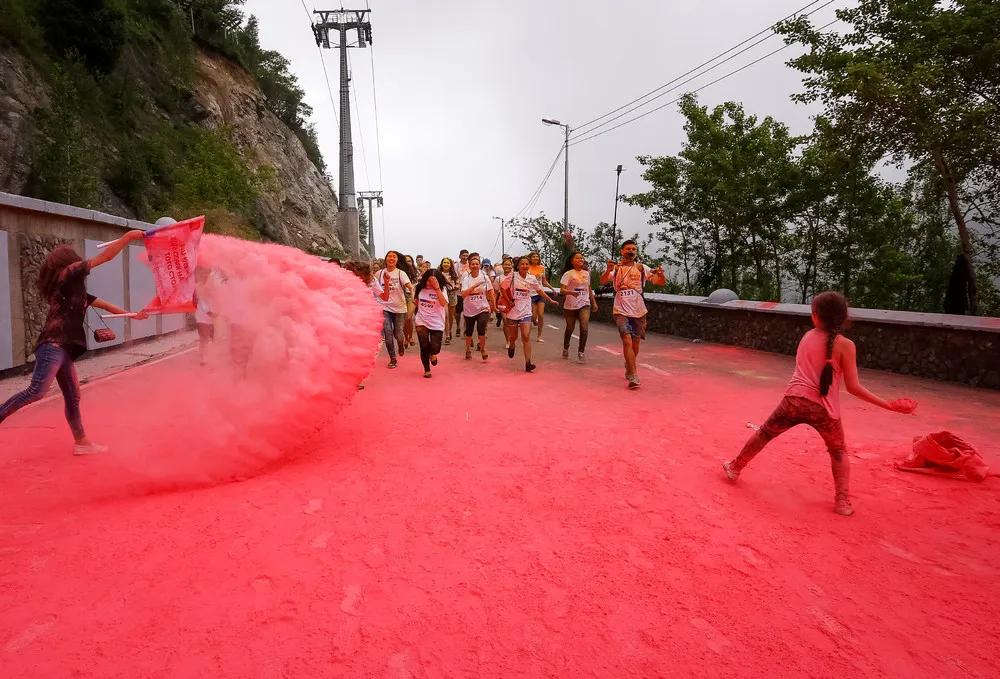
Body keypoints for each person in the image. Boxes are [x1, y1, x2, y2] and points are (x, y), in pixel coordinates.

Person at [722, 291, 917, 516]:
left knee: (765, 433)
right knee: (838, 451)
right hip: (825, 410)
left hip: (794, 400)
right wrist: (889, 405)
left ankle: (735, 467)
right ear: (843, 318)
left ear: (815, 316)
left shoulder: (807, 336)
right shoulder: (846, 346)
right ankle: (842, 502)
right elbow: (853, 387)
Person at [0, 233, 149, 454]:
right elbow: (106, 257)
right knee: (36, 391)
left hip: (63, 349)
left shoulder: (74, 290)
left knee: (72, 396)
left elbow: (106, 306)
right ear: (69, 261)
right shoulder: (66, 274)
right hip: (53, 345)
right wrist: (128, 237)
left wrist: (133, 315)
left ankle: (81, 443)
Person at [600, 240, 666, 389]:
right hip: (621, 308)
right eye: (628, 249)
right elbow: (603, 280)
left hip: (638, 309)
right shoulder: (616, 268)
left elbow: (660, 283)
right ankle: (634, 375)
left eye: (633, 249)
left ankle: (629, 365)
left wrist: (661, 275)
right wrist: (607, 269)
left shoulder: (642, 268)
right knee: (627, 341)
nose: (631, 251)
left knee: (635, 342)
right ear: (622, 251)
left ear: (636, 252)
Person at [500, 255, 558, 372]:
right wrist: (509, 300)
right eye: (522, 264)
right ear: (518, 266)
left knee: (526, 336)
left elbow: (539, 290)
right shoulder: (512, 276)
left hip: (526, 310)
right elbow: (502, 288)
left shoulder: (532, 278)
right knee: (514, 337)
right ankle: (512, 345)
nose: (525, 266)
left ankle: (528, 363)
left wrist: (550, 299)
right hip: (513, 310)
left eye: (527, 264)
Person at [371, 251, 413, 368]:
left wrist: (413, 294)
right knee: (388, 334)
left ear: (397, 260)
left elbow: (409, 286)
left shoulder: (401, 273)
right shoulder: (379, 274)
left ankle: (401, 343)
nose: (391, 258)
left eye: (394, 257)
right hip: (384, 307)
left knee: (398, 334)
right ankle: (393, 358)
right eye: (389, 256)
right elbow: (372, 285)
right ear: (386, 259)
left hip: (400, 308)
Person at [560, 252, 598, 362]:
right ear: (572, 261)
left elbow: (588, 288)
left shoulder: (586, 274)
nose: (580, 259)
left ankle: (581, 351)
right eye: (577, 258)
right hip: (570, 305)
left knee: (584, 327)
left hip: (584, 304)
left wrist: (594, 302)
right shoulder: (568, 274)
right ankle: (566, 347)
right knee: (570, 329)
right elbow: (562, 290)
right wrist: (571, 292)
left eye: (581, 258)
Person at [413, 268, 449, 378]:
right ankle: (427, 370)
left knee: (435, 347)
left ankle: (433, 354)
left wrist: (437, 288)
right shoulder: (419, 288)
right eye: (428, 281)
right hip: (422, 320)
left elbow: (443, 304)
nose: (429, 284)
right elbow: (415, 302)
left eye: (432, 282)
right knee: (423, 346)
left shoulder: (442, 289)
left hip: (437, 321)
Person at [460, 252, 496, 361]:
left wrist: (493, 306)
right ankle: (467, 350)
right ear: (469, 266)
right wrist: (475, 286)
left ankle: (483, 348)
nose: (475, 266)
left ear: (479, 265)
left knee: (481, 328)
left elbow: (490, 292)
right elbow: (463, 294)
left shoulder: (485, 277)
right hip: (469, 308)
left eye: (477, 264)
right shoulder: (466, 278)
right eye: (473, 264)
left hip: (482, 307)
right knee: (469, 331)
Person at [194, 266, 221, 366]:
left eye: (207, 272)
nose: (205, 275)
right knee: (203, 337)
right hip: (202, 317)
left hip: (213, 317)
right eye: (202, 272)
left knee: (214, 337)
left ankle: (214, 355)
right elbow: (201, 302)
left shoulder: (214, 285)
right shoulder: (197, 286)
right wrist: (211, 313)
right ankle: (203, 358)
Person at [527, 251, 554, 342]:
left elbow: (544, 281)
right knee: (533, 316)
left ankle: (539, 336)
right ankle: (533, 322)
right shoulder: (527, 267)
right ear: (530, 258)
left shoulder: (542, 268)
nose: (536, 258)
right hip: (531, 294)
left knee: (541, 315)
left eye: (537, 256)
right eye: (534, 256)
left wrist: (552, 289)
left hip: (540, 293)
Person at [440, 257, 460, 345]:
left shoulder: (454, 274)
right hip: (442, 294)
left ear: (450, 265)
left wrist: (457, 286)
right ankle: (447, 335)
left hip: (452, 294)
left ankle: (450, 330)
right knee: (446, 315)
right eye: (444, 262)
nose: (446, 264)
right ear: (442, 264)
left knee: (451, 316)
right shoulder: (439, 274)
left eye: (448, 263)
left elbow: (458, 283)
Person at [453, 249, 470, 337]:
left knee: (467, 311)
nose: (465, 257)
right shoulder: (456, 266)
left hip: (468, 291)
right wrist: (457, 283)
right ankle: (458, 327)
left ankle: (466, 330)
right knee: (457, 312)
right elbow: (454, 276)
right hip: (458, 291)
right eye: (463, 255)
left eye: (467, 255)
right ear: (460, 256)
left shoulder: (470, 265)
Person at [494, 256, 513, 328]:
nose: (507, 266)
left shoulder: (515, 277)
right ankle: (508, 339)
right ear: (502, 266)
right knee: (505, 320)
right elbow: (495, 293)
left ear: (512, 266)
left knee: (512, 321)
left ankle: (511, 338)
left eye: (509, 265)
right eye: (505, 265)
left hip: (513, 301)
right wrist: (493, 304)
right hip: (503, 301)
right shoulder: (498, 278)